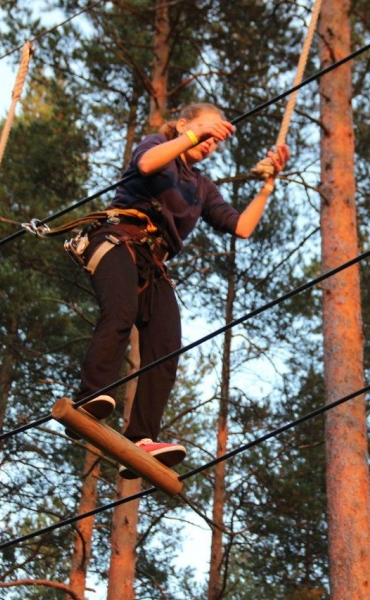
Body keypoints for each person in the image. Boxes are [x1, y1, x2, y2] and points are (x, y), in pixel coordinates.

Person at [71, 102, 289, 477]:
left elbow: (241, 227)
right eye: (207, 132)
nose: (210, 143)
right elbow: (146, 165)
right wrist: (194, 135)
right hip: (117, 240)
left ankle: (141, 437)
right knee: (120, 313)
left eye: (215, 139)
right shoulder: (157, 144)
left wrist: (269, 184)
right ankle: (90, 394)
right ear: (184, 125)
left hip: (153, 263)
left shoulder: (202, 187)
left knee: (166, 346)